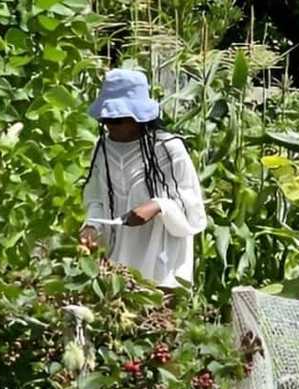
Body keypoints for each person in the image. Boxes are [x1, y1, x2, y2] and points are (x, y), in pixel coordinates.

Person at [79, 69, 208, 290]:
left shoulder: (167, 148)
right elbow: (96, 200)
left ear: (139, 118)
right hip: (118, 265)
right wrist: (91, 227)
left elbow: (192, 205)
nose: (112, 126)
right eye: (107, 120)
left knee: (161, 319)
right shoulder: (101, 149)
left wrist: (158, 206)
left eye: (119, 120)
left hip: (162, 261)